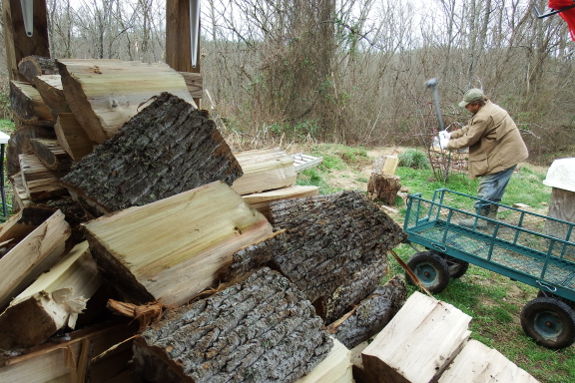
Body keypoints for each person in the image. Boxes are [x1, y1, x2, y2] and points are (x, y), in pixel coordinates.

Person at [437, 88, 528, 227]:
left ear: (476, 104)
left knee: (488, 184)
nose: (466, 107)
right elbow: (469, 128)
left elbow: (470, 139)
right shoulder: (487, 108)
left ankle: (481, 220)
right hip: (507, 151)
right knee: (495, 187)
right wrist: (450, 135)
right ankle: (490, 218)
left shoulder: (483, 117)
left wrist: (447, 144)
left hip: (506, 154)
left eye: (468, 105)